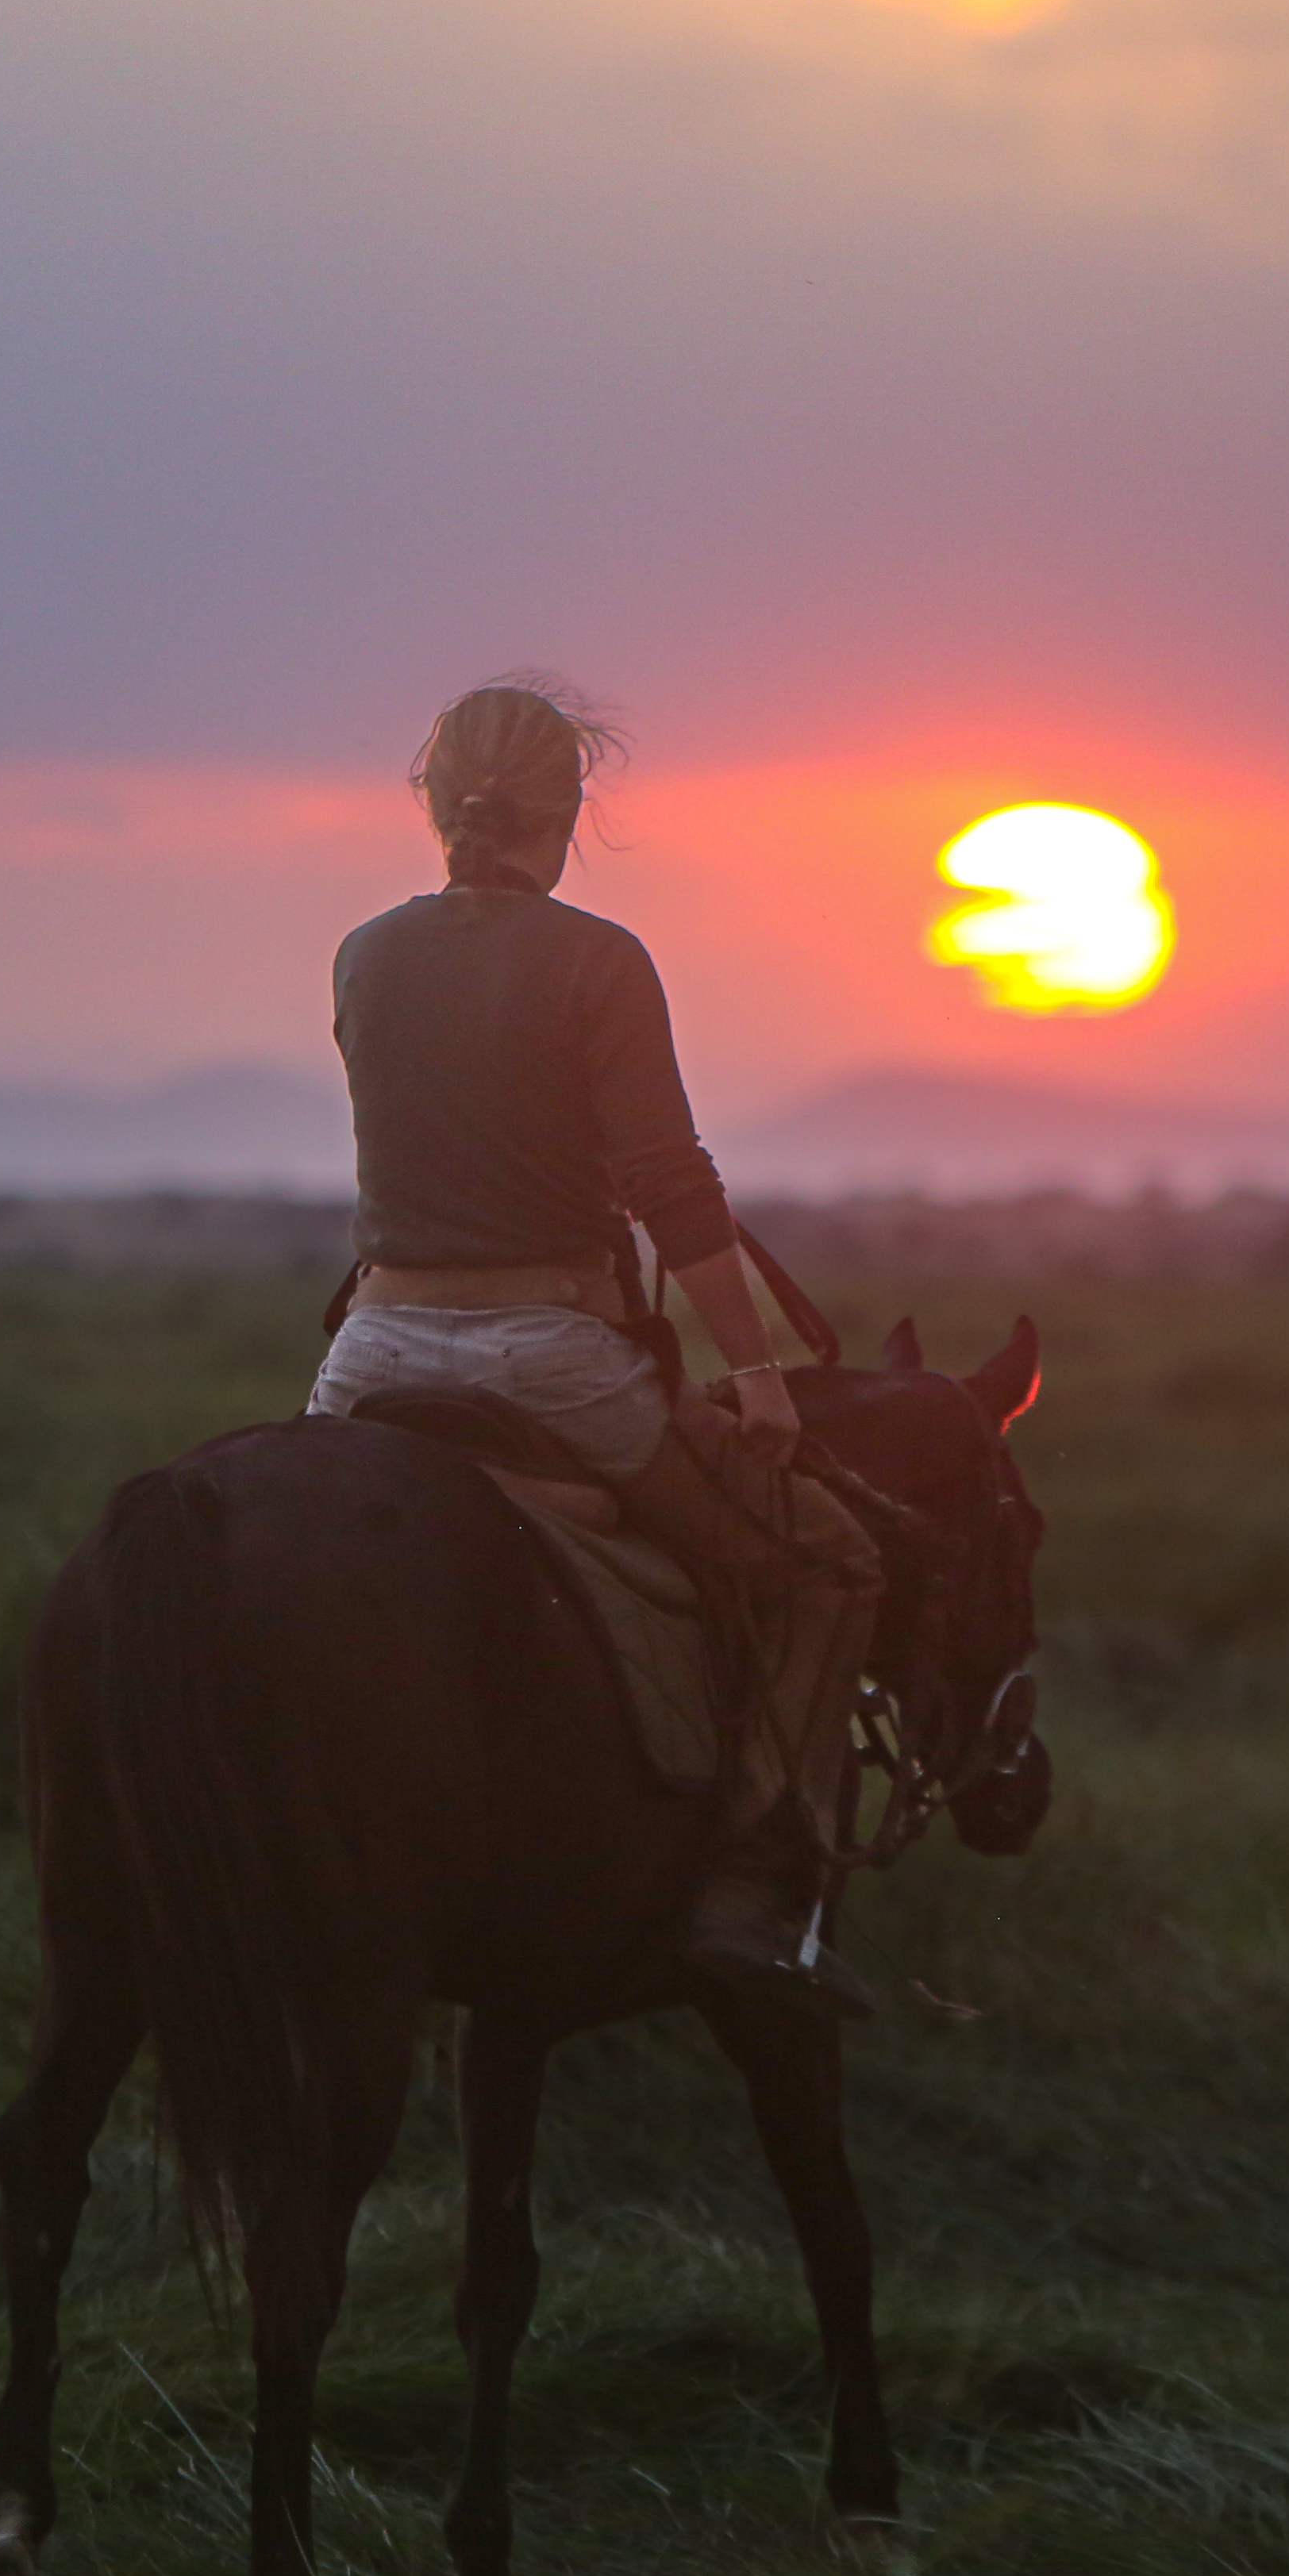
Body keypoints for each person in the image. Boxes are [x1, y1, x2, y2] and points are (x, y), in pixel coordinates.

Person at [309, 678, 885, 2014]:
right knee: (826, 1565)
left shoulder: (361, 956)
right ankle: (756, 1892)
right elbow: (672, 1188)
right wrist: (753, 1376)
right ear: (568, 813)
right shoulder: (598, 961)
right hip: (549, 1362)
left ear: (433, 805)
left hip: (372, 1357)